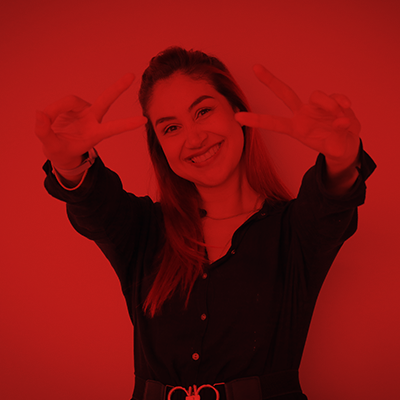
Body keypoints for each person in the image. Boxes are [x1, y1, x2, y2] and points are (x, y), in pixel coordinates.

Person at [35, 47, 376, 400]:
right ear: (160, 147)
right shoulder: (142, 229)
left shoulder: (295, 232)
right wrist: (70, 162)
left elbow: (331, 200)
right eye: (171, 128)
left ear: (238, 112)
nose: (195, 139)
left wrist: (341, 160)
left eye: (203, 111)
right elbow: (93, 202)